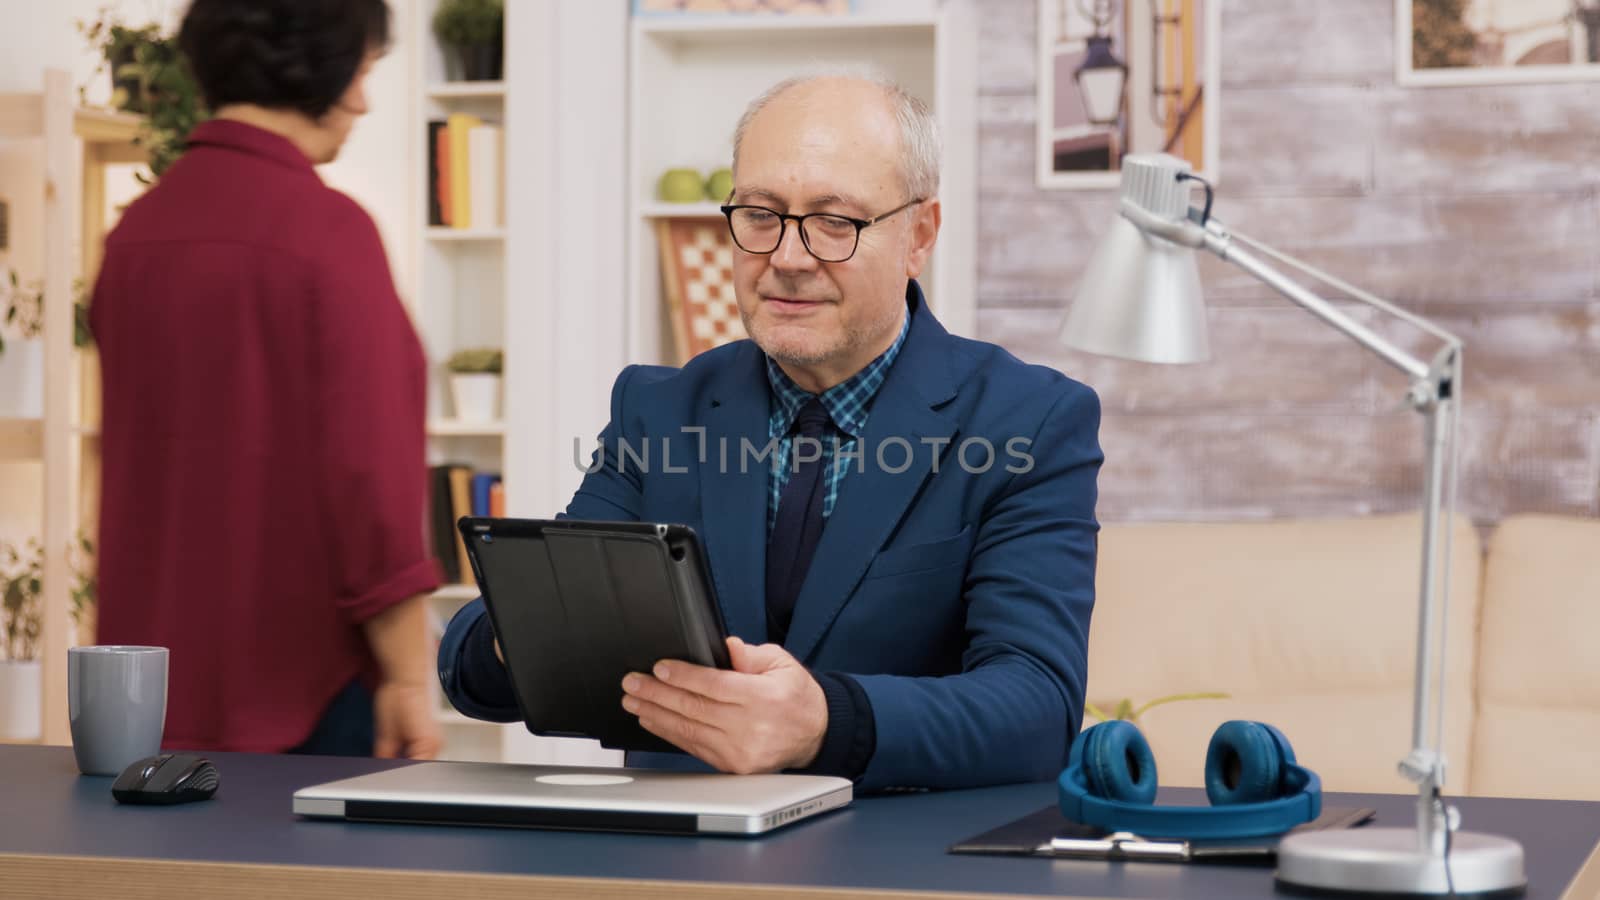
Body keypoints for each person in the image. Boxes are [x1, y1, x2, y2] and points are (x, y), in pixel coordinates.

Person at [438, 73, 1103, 791]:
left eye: (834, 221)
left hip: (901, 863)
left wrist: (826, 721)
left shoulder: (1029, 421)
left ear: (919, 235)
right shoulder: (657, 409)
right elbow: (475, 664)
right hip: (673, 862)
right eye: (760, 214)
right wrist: (524, 634)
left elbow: (1038, 707)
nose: (787, 258)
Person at [91, 0, 442, 760]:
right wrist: (410, 680)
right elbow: (372, 487)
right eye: (365, 70)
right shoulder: (327, 233)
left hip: (145, 698)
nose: (364, 101)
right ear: (321, 66)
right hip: (307, 696)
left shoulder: (133, 237)